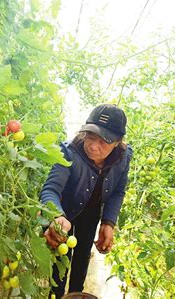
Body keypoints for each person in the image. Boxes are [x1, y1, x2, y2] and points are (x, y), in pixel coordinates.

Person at [40, 104, 133, 298]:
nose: (92, 145)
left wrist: (108, 222)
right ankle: (55, 294)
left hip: (90, 214)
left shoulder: (123, 158)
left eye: (103, 141)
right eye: (90, 136)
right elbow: (51, 189)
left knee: (82, 256)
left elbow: (117, 191)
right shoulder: (68, 152)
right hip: (64, 212)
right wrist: (56, 215)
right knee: (60, 259)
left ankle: (76, 293)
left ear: (117, 142)